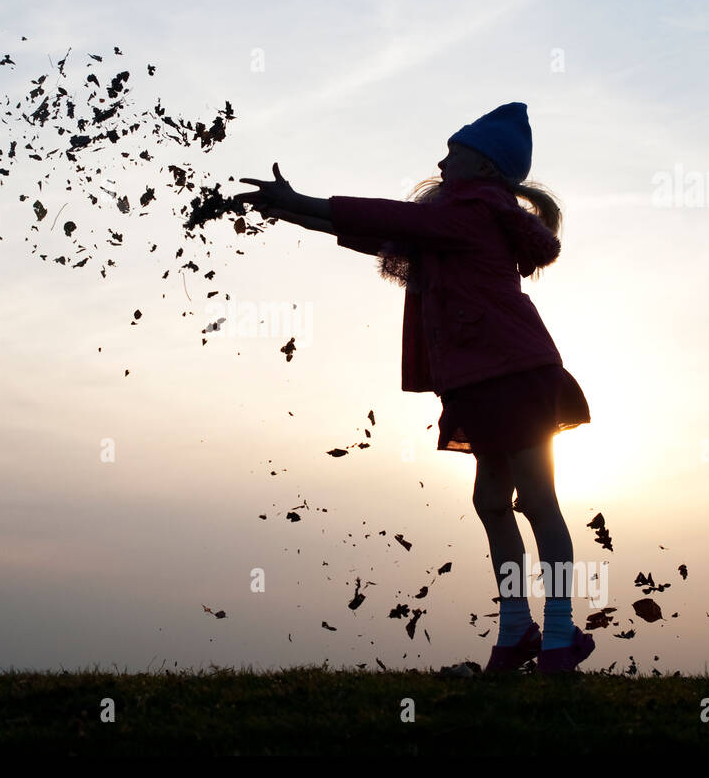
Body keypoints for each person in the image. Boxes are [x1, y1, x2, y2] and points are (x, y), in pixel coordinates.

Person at [237, 102, 595, 675]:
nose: (439, 160)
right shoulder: (456, 219)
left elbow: (393, 220)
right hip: (481, 380)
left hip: (516, 374)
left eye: (452, 151)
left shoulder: (474, 212)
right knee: (490, 502)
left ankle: (558, 633)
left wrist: (300, 201)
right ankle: (516, 627)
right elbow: (383, 233)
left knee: (536, 501)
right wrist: (293, 213)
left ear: (481, 165)